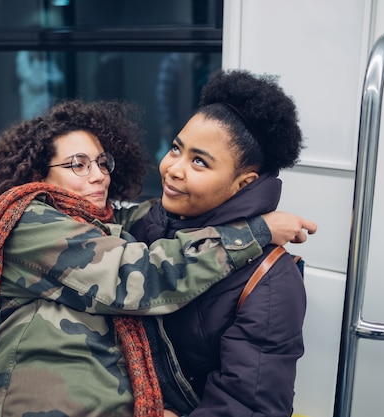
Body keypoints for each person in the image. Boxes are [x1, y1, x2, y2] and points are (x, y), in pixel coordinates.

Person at [0, 99, 315, 417]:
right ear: (36, 175)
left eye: (101, 162)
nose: (98, 176)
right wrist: (255, 231)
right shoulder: (29, 222)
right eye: (77, 165)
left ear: (243, 184)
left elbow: (249, 402)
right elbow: (137, 275)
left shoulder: (116, 226)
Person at [130, 69, 307, 416]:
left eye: (199, 161)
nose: (173, 169)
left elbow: (248, 405)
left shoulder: (271, 279)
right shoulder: (147, 220)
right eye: (176, 149)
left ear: (243, 184)